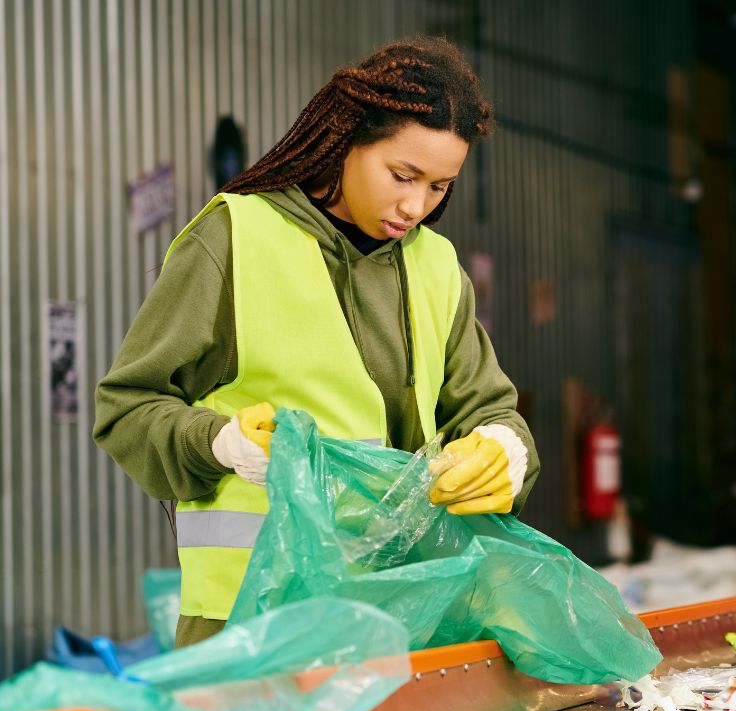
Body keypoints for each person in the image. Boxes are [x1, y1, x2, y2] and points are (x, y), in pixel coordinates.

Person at [93, 37, 539, 648]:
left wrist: (506, 450)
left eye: (440, 186)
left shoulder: (436, 268)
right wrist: (219, 443)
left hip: (407, 620)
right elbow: (127, 409)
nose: (416, 205)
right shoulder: (235, 240)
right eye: (402, 175)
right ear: (346, 139)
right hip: (254, 626)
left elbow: (488, 410)